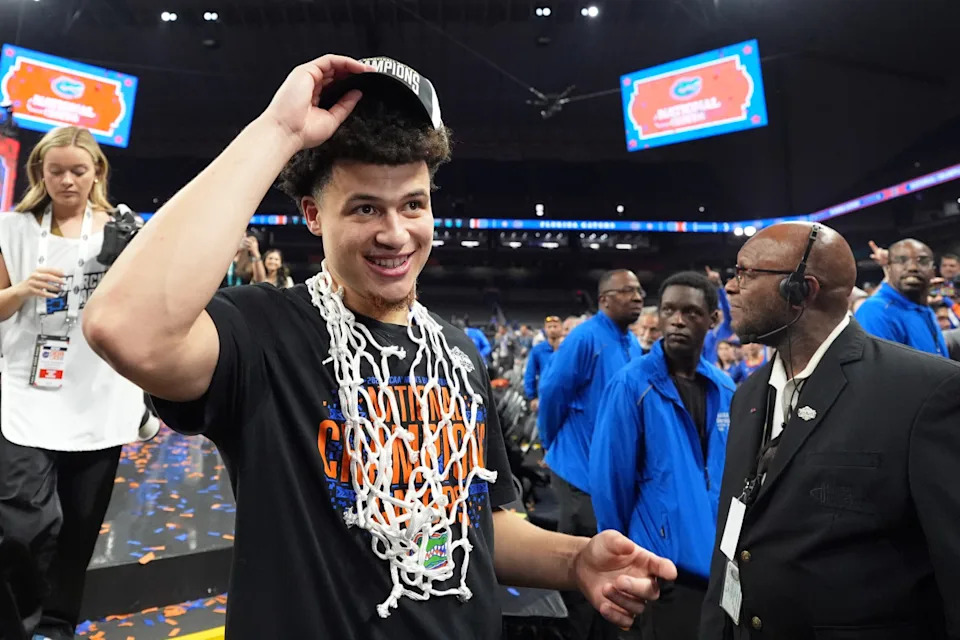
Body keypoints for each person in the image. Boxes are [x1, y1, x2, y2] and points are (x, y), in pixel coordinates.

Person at [83, 55, 676, 639]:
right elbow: (123, 327)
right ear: (314, 216)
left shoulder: (456, 354)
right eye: (365, 208)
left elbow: (478, 522)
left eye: (413, 204)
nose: (395, 234)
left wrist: (576, 560)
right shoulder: (264, 334)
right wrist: (279, 131)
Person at [699, 221, 960, 639]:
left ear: (803, 288)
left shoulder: (925, 392)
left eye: (746, 273)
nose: (731, 287)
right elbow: (731, 544)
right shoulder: (747, 393)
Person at [0, 125, 144, 640]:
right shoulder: (11, 229)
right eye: (55, 170)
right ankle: (19, 626)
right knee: (22, 527)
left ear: (96, 173)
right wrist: (19, 291)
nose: (66, 180)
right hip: (25, 394)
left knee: (80, 529)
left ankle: (57, 628)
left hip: (100, 397)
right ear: (39, 172)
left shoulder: (121, 229)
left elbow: (144, 308)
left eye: (78, 171)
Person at [592, 272, 735, 640]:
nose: (676, 320)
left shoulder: (724, 388)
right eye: (669, 310)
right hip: (659, 567)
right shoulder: (631, 384)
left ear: (713, 320)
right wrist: (622, 565)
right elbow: (611, 484)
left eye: (690, 312)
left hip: (717, 566)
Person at [538, 269, 645, 639]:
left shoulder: (630, 342)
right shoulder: (585, 337)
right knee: (584, 567)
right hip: (578, 471)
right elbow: (552, 392)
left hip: (611, 477)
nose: (638, 297)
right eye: (628, 291)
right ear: (605, 300)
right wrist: (552, 443)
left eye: (640, 291)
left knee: (612, 567)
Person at [855, 238, 948, 357]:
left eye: (922, 261)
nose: (912, 267)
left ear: (933, 271)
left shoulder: (923, 309)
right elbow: (880, 372)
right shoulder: (876, 311)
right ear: (888, 268)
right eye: (901, 261)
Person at [523, 315, 562, 412]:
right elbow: (530, 374)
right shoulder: (538, 350)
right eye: (549, 327)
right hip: (544, 398)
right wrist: (532, 397)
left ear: (561, 328)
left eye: (555, 326)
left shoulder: (568, 349)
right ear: (545, 329)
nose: (552, 329)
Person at [700, 266, 733, 366]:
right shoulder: (706, 334)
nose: (717, 313)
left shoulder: (726, 326)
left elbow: (727, 309)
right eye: (715, 310)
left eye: (719, 310)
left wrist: (718, 286)